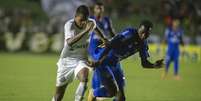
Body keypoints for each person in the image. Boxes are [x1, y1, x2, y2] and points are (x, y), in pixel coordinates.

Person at [88, 20, 164, 101]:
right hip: (103, 59)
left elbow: (144, 63)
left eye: (147, 33)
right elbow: (110, 45)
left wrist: (154, 65)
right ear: (139, 29)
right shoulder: (129, 34)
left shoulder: (143, 44)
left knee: (121, 97)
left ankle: (95, 93)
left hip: (115, 62)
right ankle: (93, 93)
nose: (144, 35)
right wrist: (99, 61)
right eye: (142, 32)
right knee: (112, 92)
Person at [51, 5, 107, 101]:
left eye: (85, 19)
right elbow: (69, 42)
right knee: (58, 95)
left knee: (84, 78)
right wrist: (86, 31)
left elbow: (95, 28)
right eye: (81, 20)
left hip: (81, 59)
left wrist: (104, 39)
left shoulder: (91, 23)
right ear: (75, 16)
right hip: (66, 61)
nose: (83, 22)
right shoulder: (69, 25)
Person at [87, 2, 126, 101]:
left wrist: (119, 39)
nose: (99, 10)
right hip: (95, 50)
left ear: (103, 9)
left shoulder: (106, 20)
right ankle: (95, 92)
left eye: (101, 8)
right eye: (97, 8)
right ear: (94, 9)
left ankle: (96, 92)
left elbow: (112, 33)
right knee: (99, 68)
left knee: (110, 68)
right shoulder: (91, 20)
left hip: (106, 49)